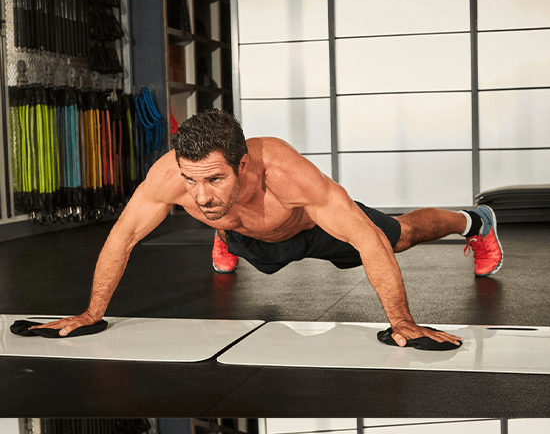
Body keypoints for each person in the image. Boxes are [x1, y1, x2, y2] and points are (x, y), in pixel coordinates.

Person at [32, 110, 503, 349]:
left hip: (309, 228)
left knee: (397, 235)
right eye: (192, 181)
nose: (199, 195)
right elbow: (124, 235)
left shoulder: (285, 172)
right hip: (251, 235)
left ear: (243, 166)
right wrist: (92, 312)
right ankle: (228, 233)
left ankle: (474, 222)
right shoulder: (171, 178)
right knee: (221, 215)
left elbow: (366, 239)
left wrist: (401, 321)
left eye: (215, 179)